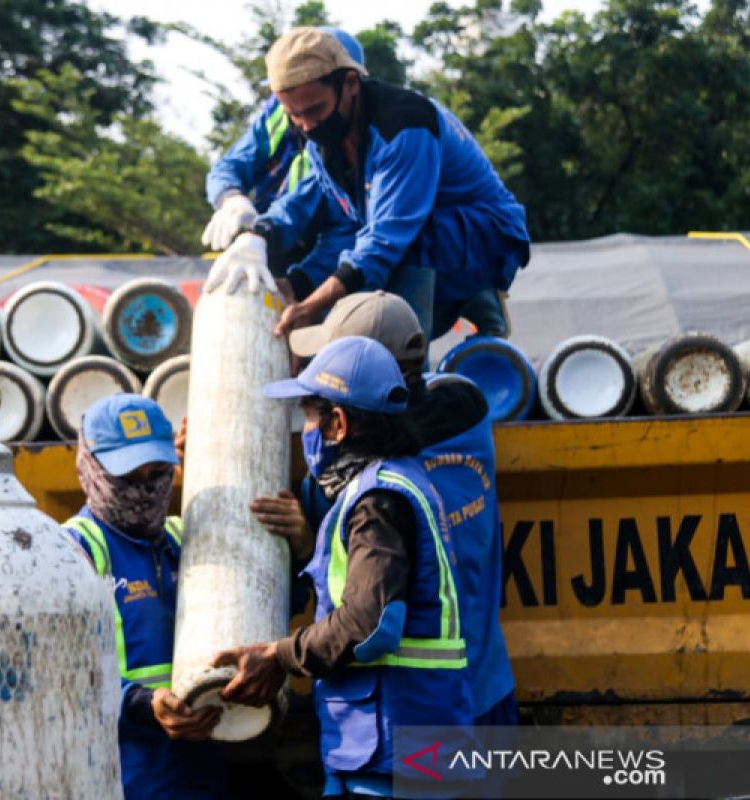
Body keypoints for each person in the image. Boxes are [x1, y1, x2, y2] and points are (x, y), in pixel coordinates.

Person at [215, 335, 475, 797]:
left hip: (396, 750)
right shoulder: (393, 483)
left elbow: (369, 625)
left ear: (337, 423)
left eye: (310, 416)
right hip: (390, 742)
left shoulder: (376, 502)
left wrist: (280, 655)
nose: (306, 430)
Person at [256, 291, 518, 729]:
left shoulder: (353, 484)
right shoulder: (467, 410)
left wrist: (309, 537)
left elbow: (363, 609)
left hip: (411, 711)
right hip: (487, 689)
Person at [205, 26, 530, 349]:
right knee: (343, 278)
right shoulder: (325, 139)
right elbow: (328, 218)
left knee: (383, 311)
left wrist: (310, 307)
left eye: (315, 110)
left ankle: (410, 371)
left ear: (349, 84)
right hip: (404, 235)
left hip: (484, 236)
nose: (307, 126)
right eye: (295, 115)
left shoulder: (405, 127)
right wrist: (264, 244)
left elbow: (386, 240)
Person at [62, 394, 226, 800]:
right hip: (121, 772)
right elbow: (59, 673)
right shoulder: (73, 551)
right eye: (129, 475)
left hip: (200, 767)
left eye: (157, 473)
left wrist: (296, 543)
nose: (145, 489)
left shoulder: (183, 539)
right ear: (90, 467)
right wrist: (139, 703)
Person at [202, 27, 366, 297]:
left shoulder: (353, 140)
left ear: (349, 85)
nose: (303, 119)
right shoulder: (278, 114)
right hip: (265, 239)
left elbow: (343, 231)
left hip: (318, 255)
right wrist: (232, 199)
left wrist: (298, 284)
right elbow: (231, 164)